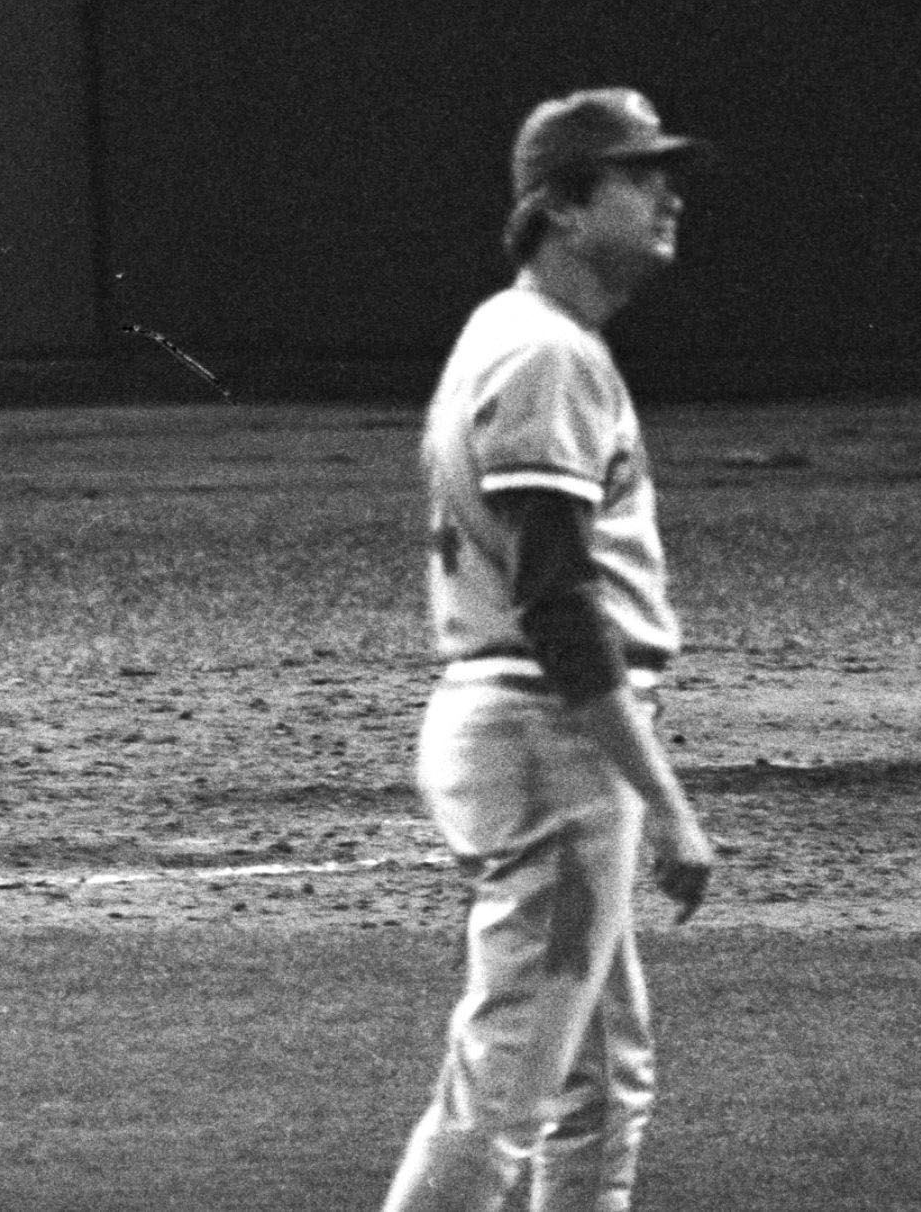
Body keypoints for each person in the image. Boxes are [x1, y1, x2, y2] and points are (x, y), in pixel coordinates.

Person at [379, 87, 716, 1212]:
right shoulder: (544, 355)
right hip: (549, 741)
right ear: (566, 208)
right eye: (638, 174)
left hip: (531, 732)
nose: (669, 192)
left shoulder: (520, 336)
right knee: (509, 1089)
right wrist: (662, 797)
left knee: (602, 1086)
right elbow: (560, 599)